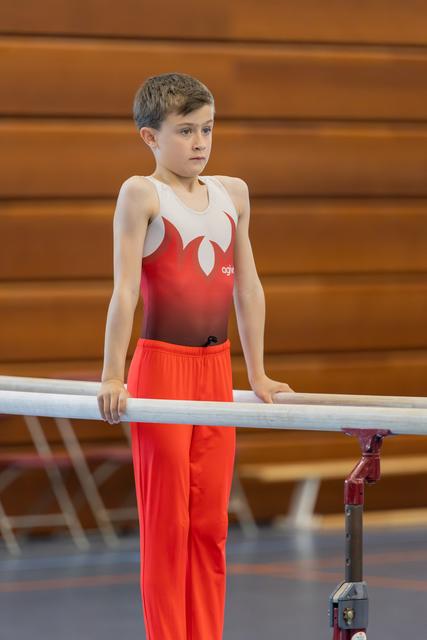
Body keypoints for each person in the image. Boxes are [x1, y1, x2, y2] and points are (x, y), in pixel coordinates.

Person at [97, 72, 294, 640]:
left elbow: (248, 287)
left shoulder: (234, 193)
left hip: (215, 370)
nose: (201, 143)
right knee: (169, 525)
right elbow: (125, 292)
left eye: (207, 129)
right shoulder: (141, 193)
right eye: (185, 131)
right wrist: (113, 374)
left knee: (209, 526)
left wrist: (256, 372)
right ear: (149, 137)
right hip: (159, 370)